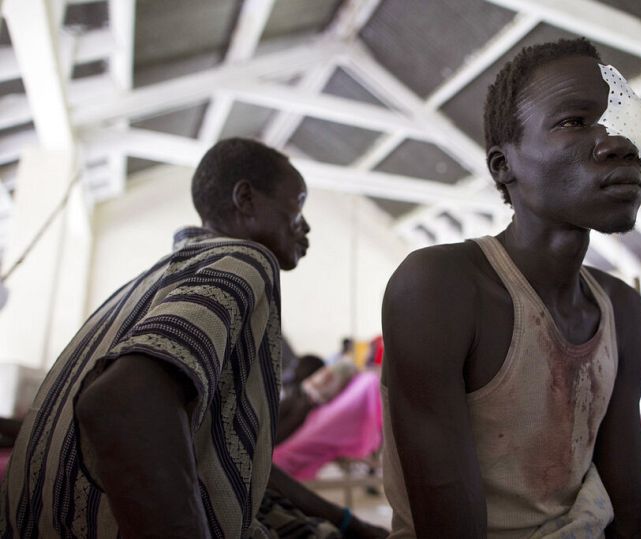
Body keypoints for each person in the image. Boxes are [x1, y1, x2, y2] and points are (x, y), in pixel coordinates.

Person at [0, 138, 385, 538]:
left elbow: (231, 467)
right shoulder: (245, 260)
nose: (304, 225)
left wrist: (348, 523)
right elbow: (121, 399)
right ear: (246, 198)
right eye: (297, 204)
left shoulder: (154, 280)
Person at [382, 38, 641, 537]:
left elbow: (633, 522)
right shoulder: (440, 288)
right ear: (502, 166)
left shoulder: (623, 308)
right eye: (574, 122)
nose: (618, 142)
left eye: (622, 120)